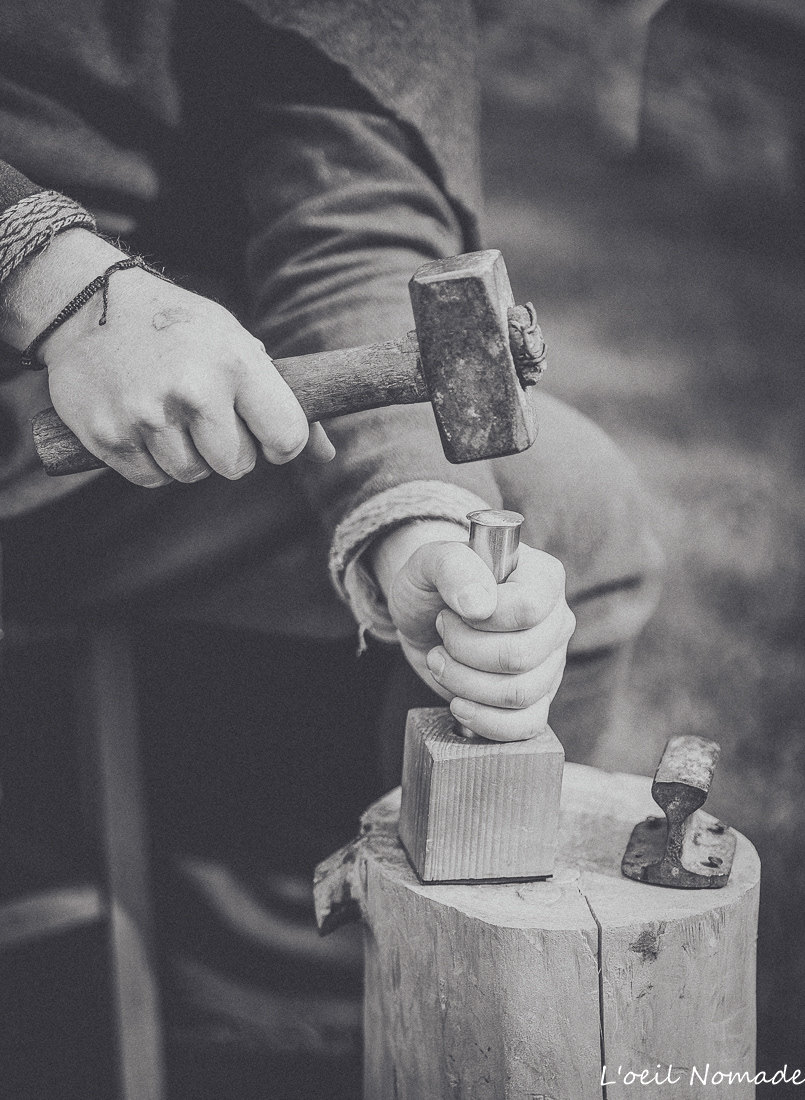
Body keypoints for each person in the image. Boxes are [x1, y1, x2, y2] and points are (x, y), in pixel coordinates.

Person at [0, 1, 663, 1095]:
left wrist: (414, 519)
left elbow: (349, 184)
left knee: (567, 507)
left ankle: (384, 1014)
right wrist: (49, 277)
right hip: (65, 368)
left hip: (151, 408)